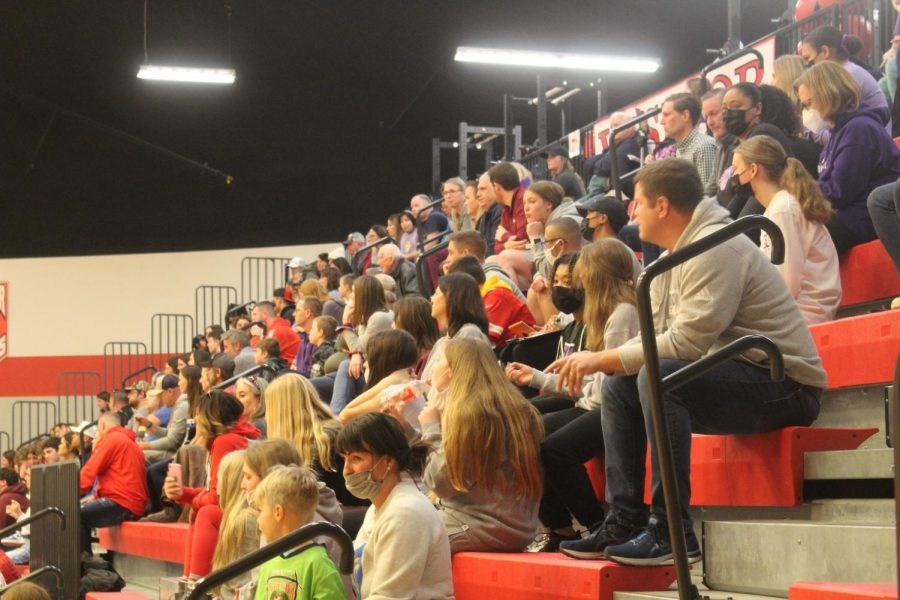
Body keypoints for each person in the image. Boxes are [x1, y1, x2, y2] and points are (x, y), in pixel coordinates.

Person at [551, 159, 826, 565]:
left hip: (786, 384)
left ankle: (671, 530)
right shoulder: (673, 257)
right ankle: (625, 519)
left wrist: (601, 357)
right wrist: (609, 364)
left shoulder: (715, 245)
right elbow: (661, 337)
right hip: (744, 373)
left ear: (662, 206)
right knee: (620, 385)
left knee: (657, 377)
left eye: (638, 203)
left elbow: (685, 342)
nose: (632, 213)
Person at [511, 240, 640, 552]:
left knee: (553, 449)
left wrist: (546, 379)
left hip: (617, 409)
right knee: (519, 435)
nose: (576, 284)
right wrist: (538, 377)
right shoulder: (604, 316)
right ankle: (560, 529)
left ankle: (597, 526)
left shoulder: (622, 315)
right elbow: (591, 386)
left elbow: (608, 391)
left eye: (580, 277)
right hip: (594, 403)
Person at [419, 336, 543, 553]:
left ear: (452, 371)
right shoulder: (514, 406)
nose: (433, 368)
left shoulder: (470, 414)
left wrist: (430, 428)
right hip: (516, 526)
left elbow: (441, 483)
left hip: (482, 525)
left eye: (438, 361)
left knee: (399, 534)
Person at [336, 413, 453, 600]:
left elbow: (388, 597)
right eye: (344, 459)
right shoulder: (379, 508)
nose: (346, 470)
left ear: (388, 462)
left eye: (356, 458)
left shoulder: (405, 513)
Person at [733, 135, 841, 324]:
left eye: (736, 170)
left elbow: (786, 286)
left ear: (752, 170)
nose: (734, 178)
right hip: (794, 311)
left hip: (804, 314)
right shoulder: (776, 208)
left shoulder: (783, 209)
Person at [796, 61, 900, 254]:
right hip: (850, 214)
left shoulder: (859, 130)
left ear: (828, 94)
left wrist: (799, 198)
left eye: (808, 104)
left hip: (864, 218)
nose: (806, 112)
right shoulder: (838, 132)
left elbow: (839, 192)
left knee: (797, 239)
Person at [164, 390, 260, 578]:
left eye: (198, 415)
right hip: (246, 506)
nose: (195, 420)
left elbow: (217, 496)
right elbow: (216, 489)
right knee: (200, 508)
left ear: (209, 418)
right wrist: (182, 494)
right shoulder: (231, 437)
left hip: (249, 509)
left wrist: (195, 501)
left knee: (205, 512)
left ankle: (197, 581)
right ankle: (191, 580)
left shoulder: (225, 441)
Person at [252, 465, 346, 600]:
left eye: (261, 511)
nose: (258, 520)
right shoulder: (268, 560)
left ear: (278, 512)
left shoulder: (319, 564)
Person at [266, 374, 358, 507]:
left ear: (278, 412)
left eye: (268, 408)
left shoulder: (324, 442)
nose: (266, 417)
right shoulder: (329, 432)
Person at [79, 412, 149, 554]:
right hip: (130, 502)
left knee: (75, 516)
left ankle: (84, 565)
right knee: (79, 513)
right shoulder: (126, 441)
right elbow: (116, 477)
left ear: (103, 425)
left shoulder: (111, 439)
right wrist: (95, 496)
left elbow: (89, 471)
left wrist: (67, 494)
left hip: (122, 503)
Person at [800, 25, 890, 131]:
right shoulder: (847, 71)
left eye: (807, 58)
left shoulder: (847, 75)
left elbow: (826, 130)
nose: (806, 65)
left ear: (825, 51)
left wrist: (804, 132)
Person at [421, 273, 490, 398]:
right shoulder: (441, 342)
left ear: (452, 298)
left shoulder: (470, 334)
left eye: (436, 293)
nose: (431, 299)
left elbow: (468, 388)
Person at [447, 256, 535, 348]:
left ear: (464, 284)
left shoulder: (496, 295)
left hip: (528, 347)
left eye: (453, 288)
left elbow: (482, 340)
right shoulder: (479, 298)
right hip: (508, 348)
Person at [392, 296, 440, 378]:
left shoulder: (431, 359)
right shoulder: (405, 355)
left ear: (409, 324)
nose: (392, 326)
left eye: (395, 321)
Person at [487, 163, 528, 257]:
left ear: (496, 187)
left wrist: (504, 236)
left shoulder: (523, 199)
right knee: (492, 260)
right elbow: (496, 247)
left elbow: (521, 242)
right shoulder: (506, 207)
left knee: (506, 257)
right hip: (518, 253)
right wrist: (506, 245)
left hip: (535, 251)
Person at [475, 172, 503, 257]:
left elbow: (493, 249)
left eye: (483, 189)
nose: (477, 194)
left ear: (496, 188)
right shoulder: (484, 216)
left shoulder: (501, 211)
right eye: (478, 189)